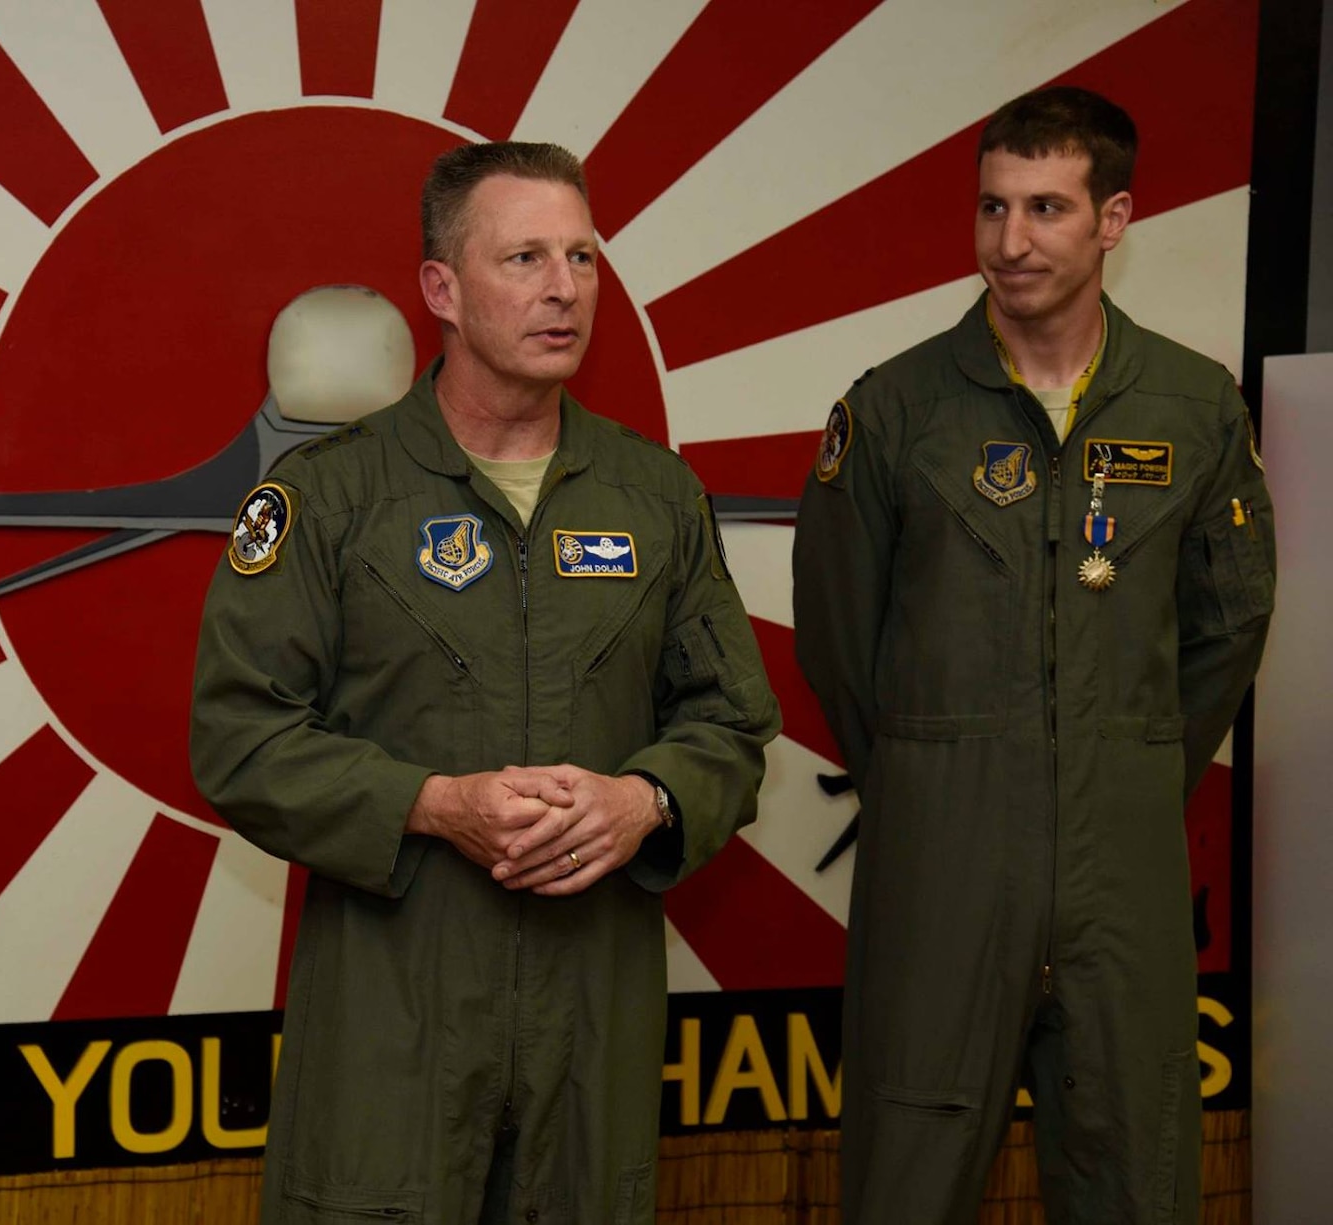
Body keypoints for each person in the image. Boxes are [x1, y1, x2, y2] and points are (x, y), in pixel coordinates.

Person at [191, 141, 778, 1224]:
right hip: (393, 997)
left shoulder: (653, 496)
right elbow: (240, 736)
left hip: (591, 1004)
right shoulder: (328, 496)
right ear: (441, 290)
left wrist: (640, 802)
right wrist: (432, 805)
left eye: (583, 257)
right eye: (523, 258)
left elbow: (730, 722)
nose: (563, 289)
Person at [793, 87, 1274, 1224]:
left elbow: (1226, 624)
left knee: (1134, 1161)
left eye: (1045, 208)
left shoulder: (1193, 405)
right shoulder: (894, 409)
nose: (1009, 243)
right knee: (906, 1167)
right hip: (941, 857)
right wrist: (931, 771)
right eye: (990, 208)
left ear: (1112, 220)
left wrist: (1125, 757)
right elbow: (837, 637)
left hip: (1125, 861)